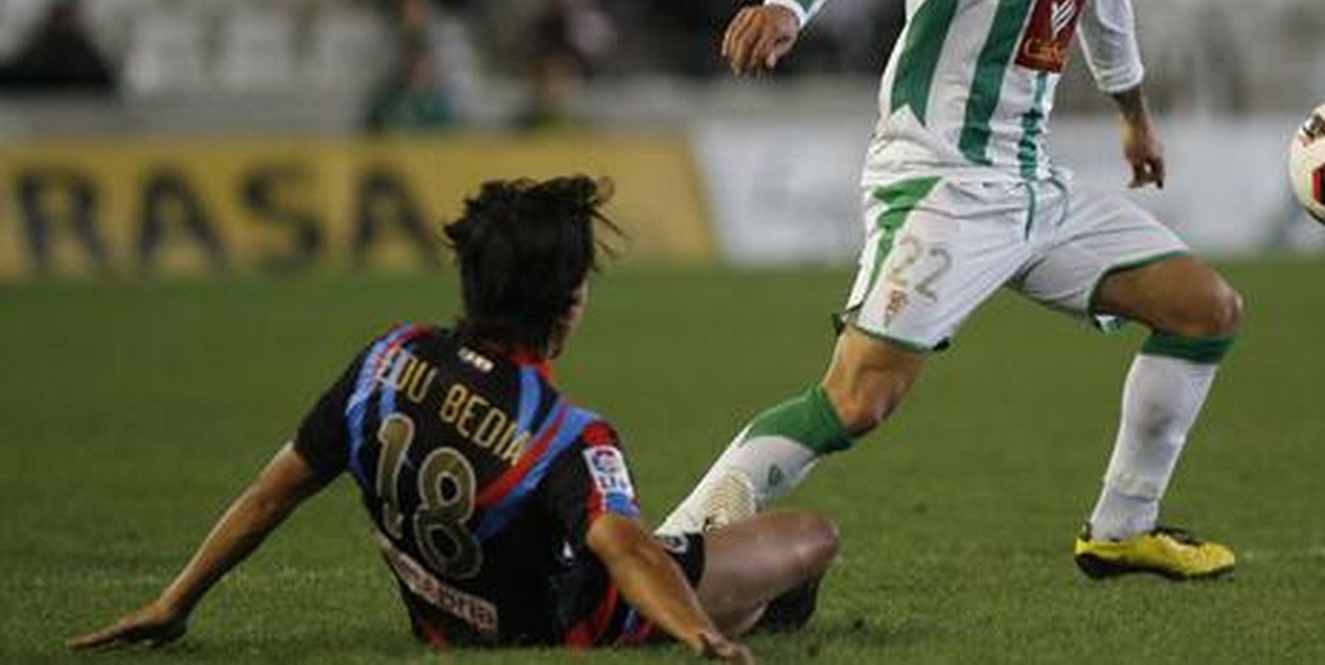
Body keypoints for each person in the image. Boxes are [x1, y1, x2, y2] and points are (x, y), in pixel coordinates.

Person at [659, 0, 1243, 581]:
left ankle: (1122, 528)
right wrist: (786, 3)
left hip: (1036, 186)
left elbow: (1104, 5)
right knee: (856, 400)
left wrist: (1132, 113)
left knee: (1205, 310)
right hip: (943, 182)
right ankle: (671, 546)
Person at [70, 176, 838, 657]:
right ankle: (746, 615)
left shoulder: (387, 360)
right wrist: (697, 635)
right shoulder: (570, 436)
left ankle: (736, 607)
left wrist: (175, 603)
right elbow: (628, 554)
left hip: (446, 624)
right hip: (574, 625)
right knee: (810, 538)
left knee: (709, 562)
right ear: (568, 303)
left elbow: (273, 493)